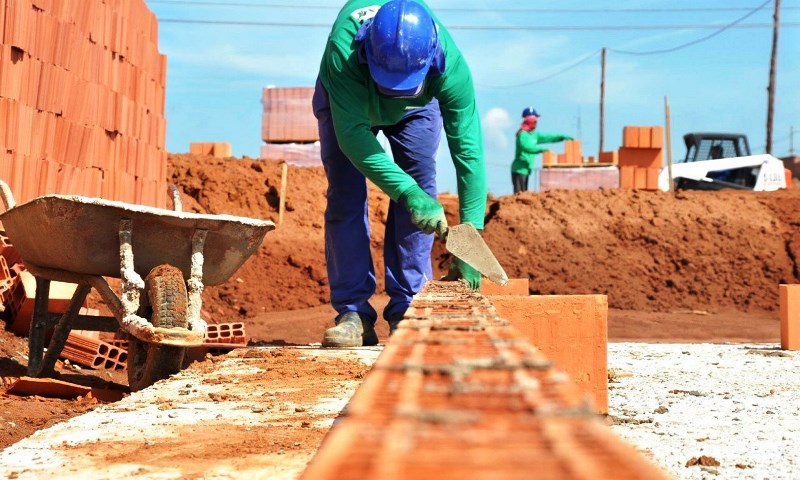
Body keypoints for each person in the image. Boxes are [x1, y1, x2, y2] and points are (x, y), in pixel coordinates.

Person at [312, 0, 487, 347]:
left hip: (419, 108)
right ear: (367, 53)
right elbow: (355, 142)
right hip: (349, 101)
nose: (391, 93)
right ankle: (354, 313)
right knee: (346, 196)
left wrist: (471, 243)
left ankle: (408, 308)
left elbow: (468, 152)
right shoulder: (342, 53)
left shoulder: (450, 68)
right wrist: (408, 193)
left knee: (422, 185)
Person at [510, 107, 572, 194]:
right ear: (529, 120)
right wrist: (541, 150)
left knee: (524, 193)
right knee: (519, 195)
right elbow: (527, 147)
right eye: (535, 120)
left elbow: (548, 137)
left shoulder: (534, 135)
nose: (536, 123)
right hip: (519, 169)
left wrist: (561, 137)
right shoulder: (522, 135)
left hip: (526, 169)